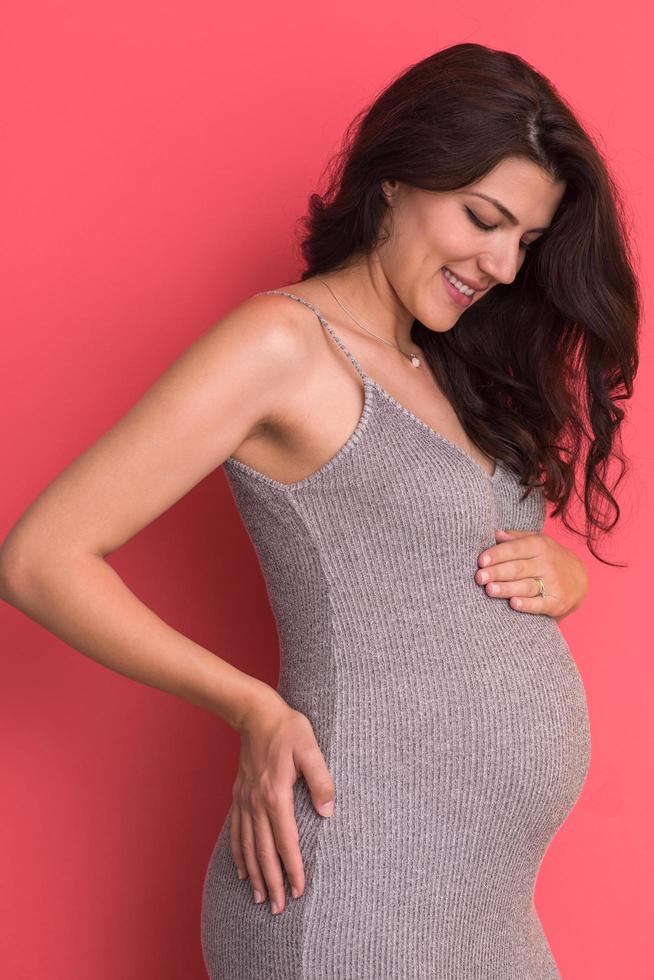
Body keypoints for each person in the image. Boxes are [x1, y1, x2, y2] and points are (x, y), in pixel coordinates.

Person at [0, 42, 640, 979]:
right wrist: (250, 706)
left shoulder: (450, 364)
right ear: (394, 181)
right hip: (350, 890)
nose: (503, 264)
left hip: (487, 908)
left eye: (527, 241)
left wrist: (566, 578)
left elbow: (439, 567)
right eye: (483, 219)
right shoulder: (283, 345)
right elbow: (38, 558)